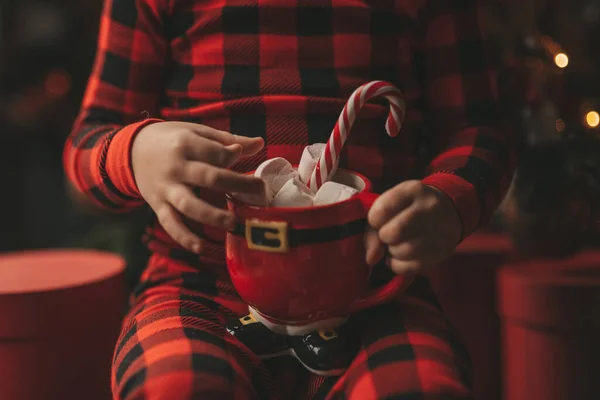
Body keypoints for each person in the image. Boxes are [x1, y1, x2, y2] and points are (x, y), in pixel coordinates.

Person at [64, 0, 512, 398]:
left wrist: (449, 199)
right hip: (199, 284)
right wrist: (134, 151)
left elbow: (479, 131)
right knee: (175, 387)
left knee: (416, 388)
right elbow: (86, 144)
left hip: (370, 287)